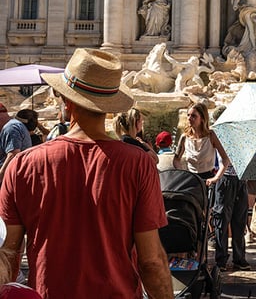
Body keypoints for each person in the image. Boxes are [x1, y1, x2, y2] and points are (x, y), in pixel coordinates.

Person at [0, 48, 172, 297]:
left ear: (65, 99)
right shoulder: (138, 164)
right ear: (110, 106)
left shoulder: (22, 165)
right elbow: (152, 261)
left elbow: (8, 252)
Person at [211, 106, 250, 273]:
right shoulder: (219, 133)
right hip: (226, 177)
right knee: (222, 219)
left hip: (239, 178)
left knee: (239, 220)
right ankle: (221, 260)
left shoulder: (240, 132)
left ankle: (239, 258)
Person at [173, 103, 231, 187]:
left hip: (208, 181)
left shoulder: (211, 136)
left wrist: (216, 178)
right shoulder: (184, 137)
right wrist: (182, 174)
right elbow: (176, 160)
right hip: (191, 179)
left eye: (193, 116)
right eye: (188, 115)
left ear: (202, 119)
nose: (189, 118)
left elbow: (225, 159)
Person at [0, 112, 32, 182]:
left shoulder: (11, 128)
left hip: (11, 177)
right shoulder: (13, 125)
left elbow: (13, 155)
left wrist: (1, 175)